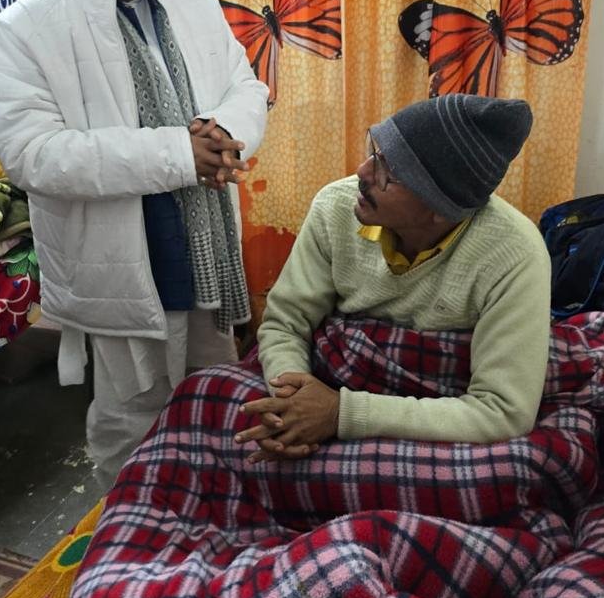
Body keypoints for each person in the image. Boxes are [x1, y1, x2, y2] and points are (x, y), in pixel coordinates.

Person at [0, 0, 268, 491]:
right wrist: (178, 154)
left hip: (205, 251)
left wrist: (223, 133)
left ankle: (209, 519)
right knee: (133, 422)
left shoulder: (193, 3)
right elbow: (32, 154)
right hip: (119, 263)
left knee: (215, 400)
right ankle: (130, 530)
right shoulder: (27, 28)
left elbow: (246, 88)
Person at [236, 93, 551, 463]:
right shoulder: (335, 207)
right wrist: (292, 405)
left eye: (390, 171)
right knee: (204, 398)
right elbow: (286, 323)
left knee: (516, 469)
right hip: (329, 381)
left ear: (440, 209)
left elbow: (504, 411)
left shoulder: (514, 254)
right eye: (376, 149)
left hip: (432, 403)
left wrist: (341, 414)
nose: (362, 171)